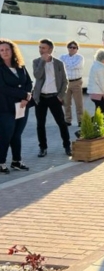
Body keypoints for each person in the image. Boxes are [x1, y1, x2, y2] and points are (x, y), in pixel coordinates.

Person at [33, 39, 72, 157]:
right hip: (40, 98)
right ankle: (43, 148)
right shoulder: (36, 61)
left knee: (61, 123)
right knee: (40, 124)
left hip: (54, 97)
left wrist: (60, 96)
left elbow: (65, 81)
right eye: (40, 48)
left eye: (43, 48)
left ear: (50, 49)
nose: (41, 50)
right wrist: (42, 62)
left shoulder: (59, 63)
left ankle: (67, 146)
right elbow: (37, 75)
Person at [0, 39, 33, 174]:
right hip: (5, 107)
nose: (5, 52)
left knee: (17, 134)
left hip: (22, 106)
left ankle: (16, 161)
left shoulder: (21, 66)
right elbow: (3, 87)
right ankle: (1, 162)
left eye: (7, 49)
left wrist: (27, 96)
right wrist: (24, 95)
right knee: (6, 135)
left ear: (12, 50)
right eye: (1, 50)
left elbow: (29, 83)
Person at [59, 40, 84, 127]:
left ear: (77, 49)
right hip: (66, 82)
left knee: (79, 103)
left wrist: (66, 65)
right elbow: (60, 67)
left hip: (76, 82)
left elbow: (76, 66)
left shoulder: (80, 58)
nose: (72, 49)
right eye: (70, 47)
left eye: (74, 47)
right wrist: (68, 65)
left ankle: (80, 120)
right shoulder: (62, 57)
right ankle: (68, 120)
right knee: (66, 103)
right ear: (68, 48)